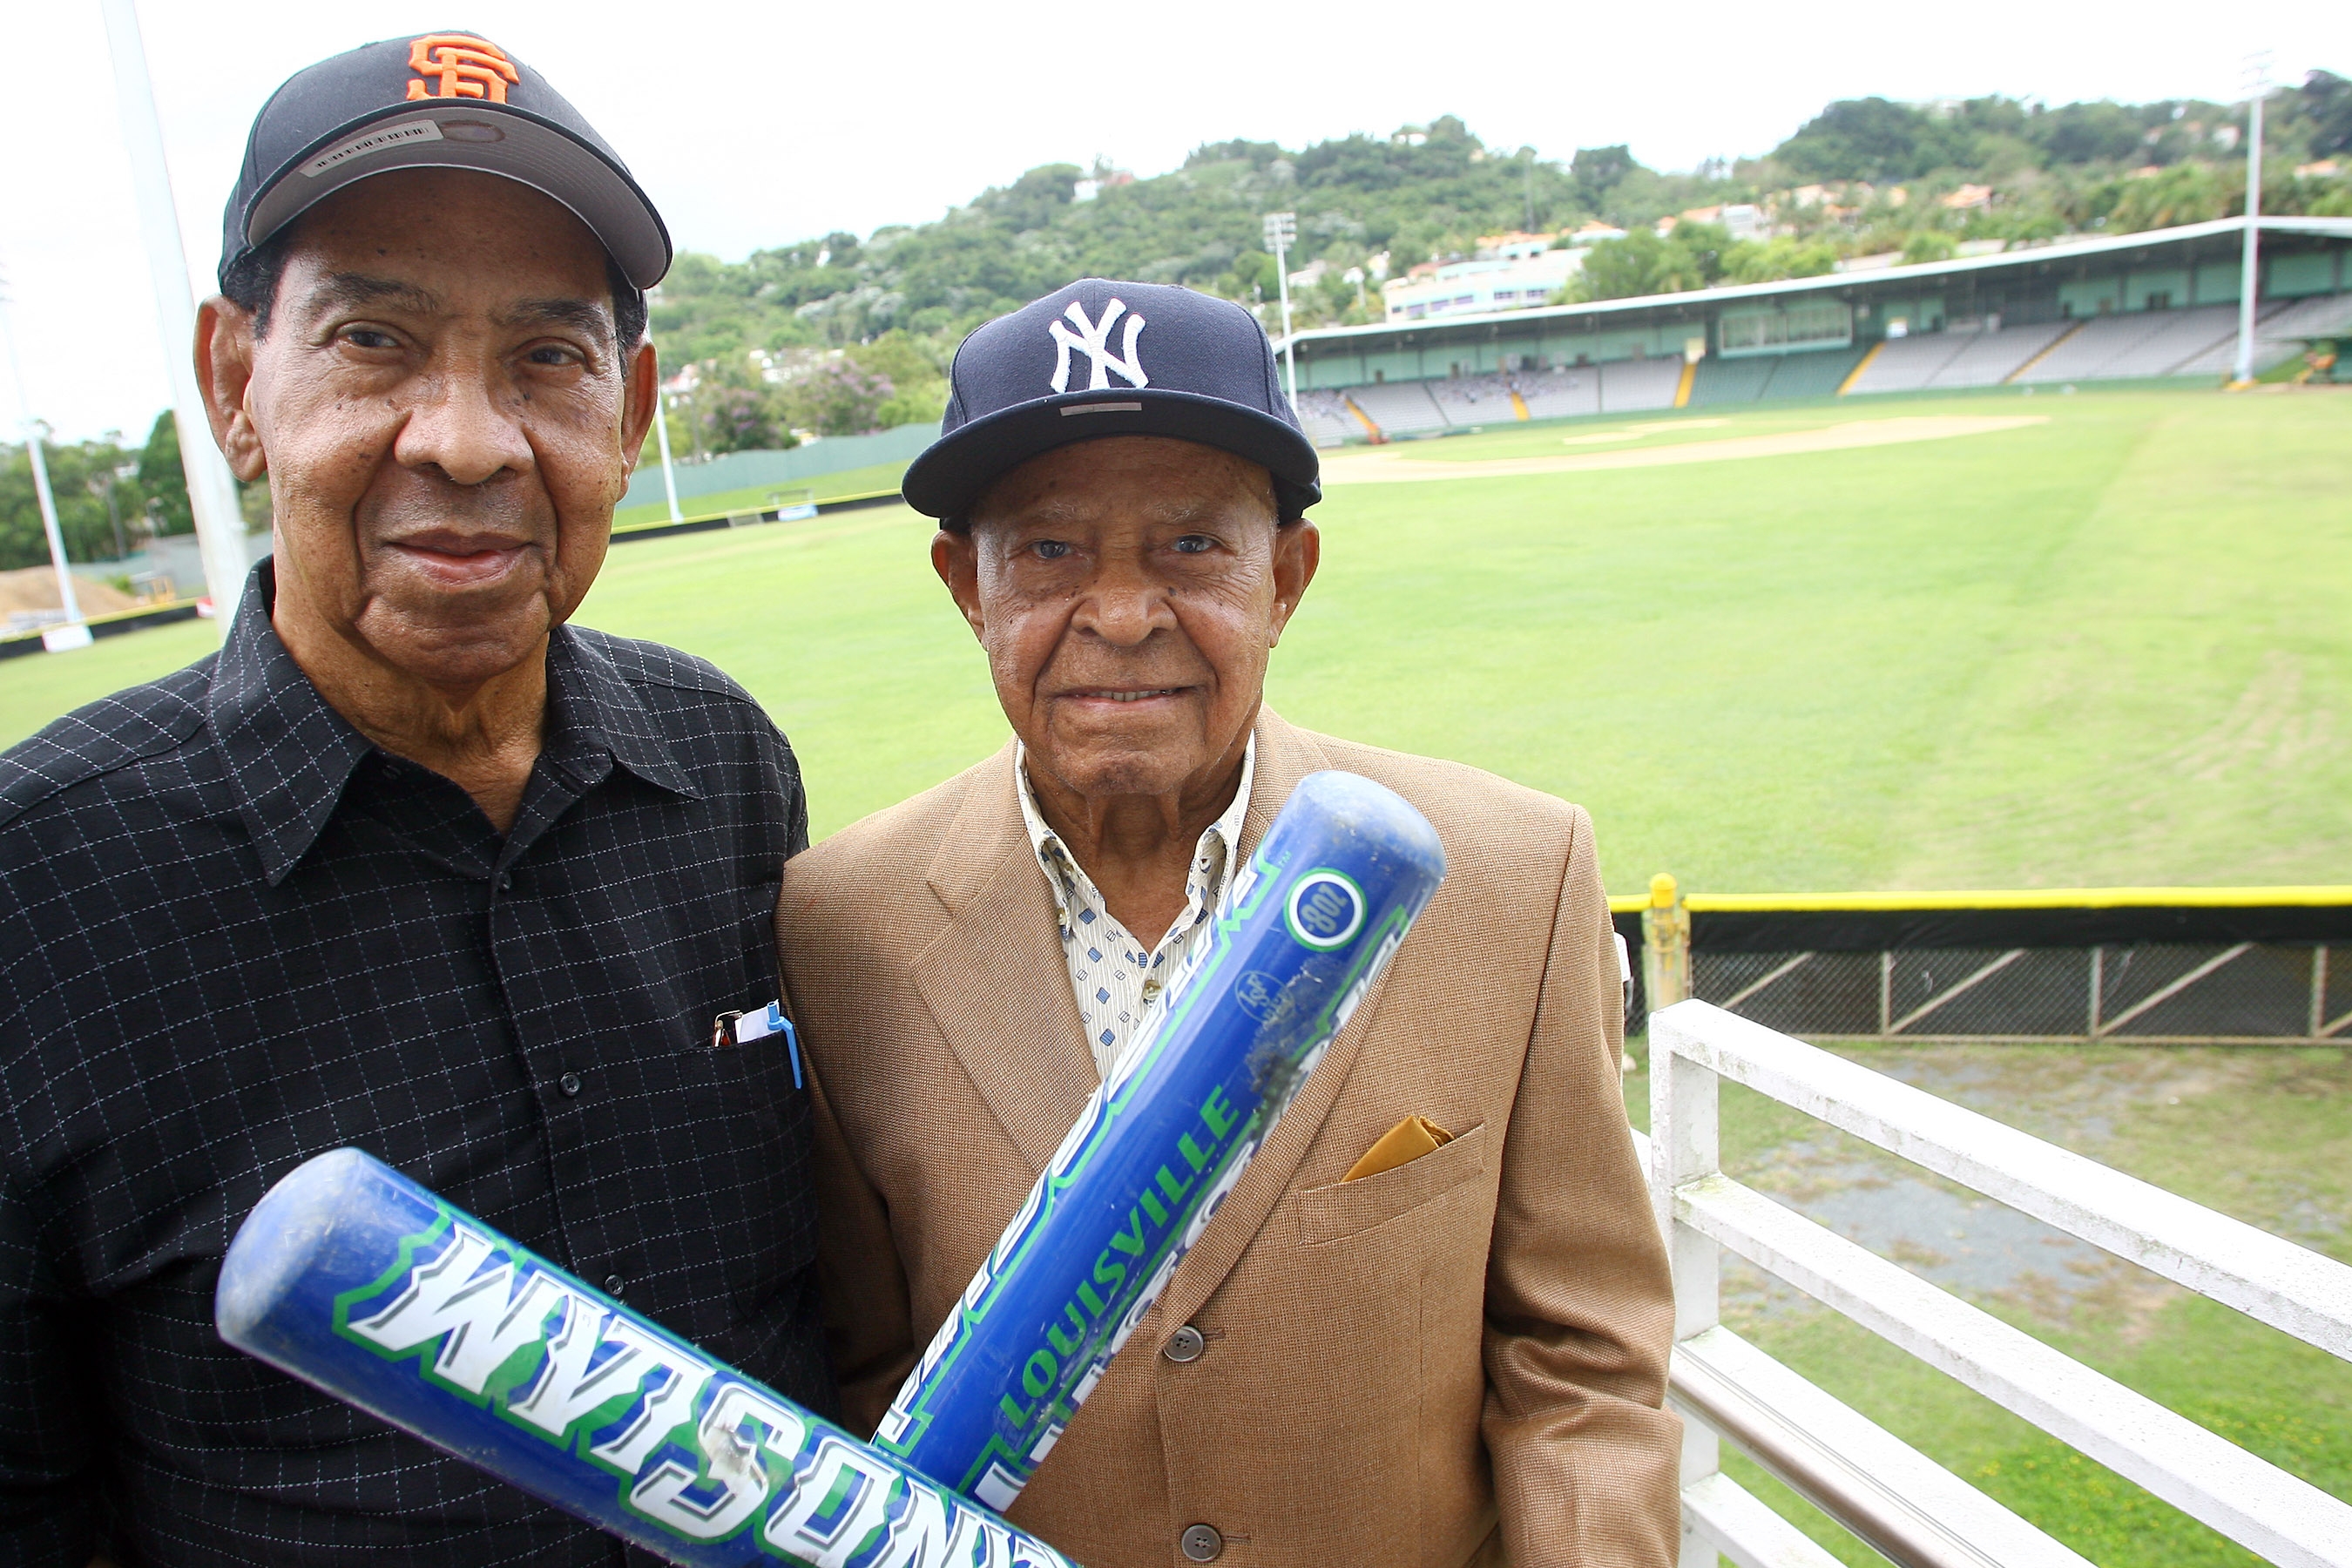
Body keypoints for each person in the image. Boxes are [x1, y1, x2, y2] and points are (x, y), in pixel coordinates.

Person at [0, 35, 830, 1565]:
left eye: (548, 357)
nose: (466, 438)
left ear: (627, 408)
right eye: (375, 340)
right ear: (235, 385)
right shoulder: (35, 880)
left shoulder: (722, 765)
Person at [776, 280, 1679, 1568]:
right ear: (965, 588)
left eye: (1193, 546)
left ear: (1286, 577)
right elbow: (863, 1373)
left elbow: (1582, 1363)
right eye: (1048, 550)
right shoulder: (839, 926)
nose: (1126, 613)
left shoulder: (1513, 874)